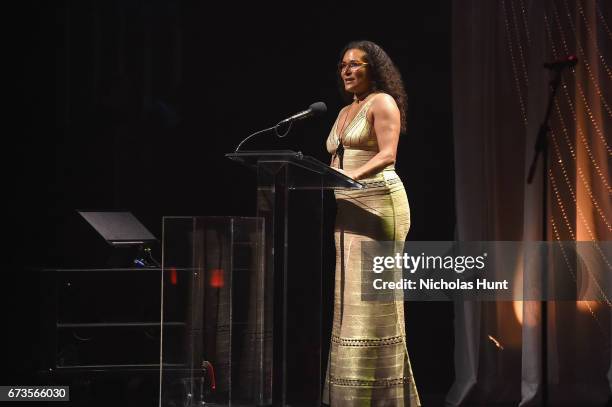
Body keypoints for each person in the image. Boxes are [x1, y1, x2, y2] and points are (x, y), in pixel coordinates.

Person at [323, 40, 420, 406]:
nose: (347, 71)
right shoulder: (345, 111)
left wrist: (350, 180)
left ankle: (385, 398)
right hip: (347, 210)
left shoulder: (382, 102)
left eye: (355, 65)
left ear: (373, 70)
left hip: (379, 206)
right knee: (350, 304)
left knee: (374, 304)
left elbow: (387, 154)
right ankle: (352, 395)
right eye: (343, 65)